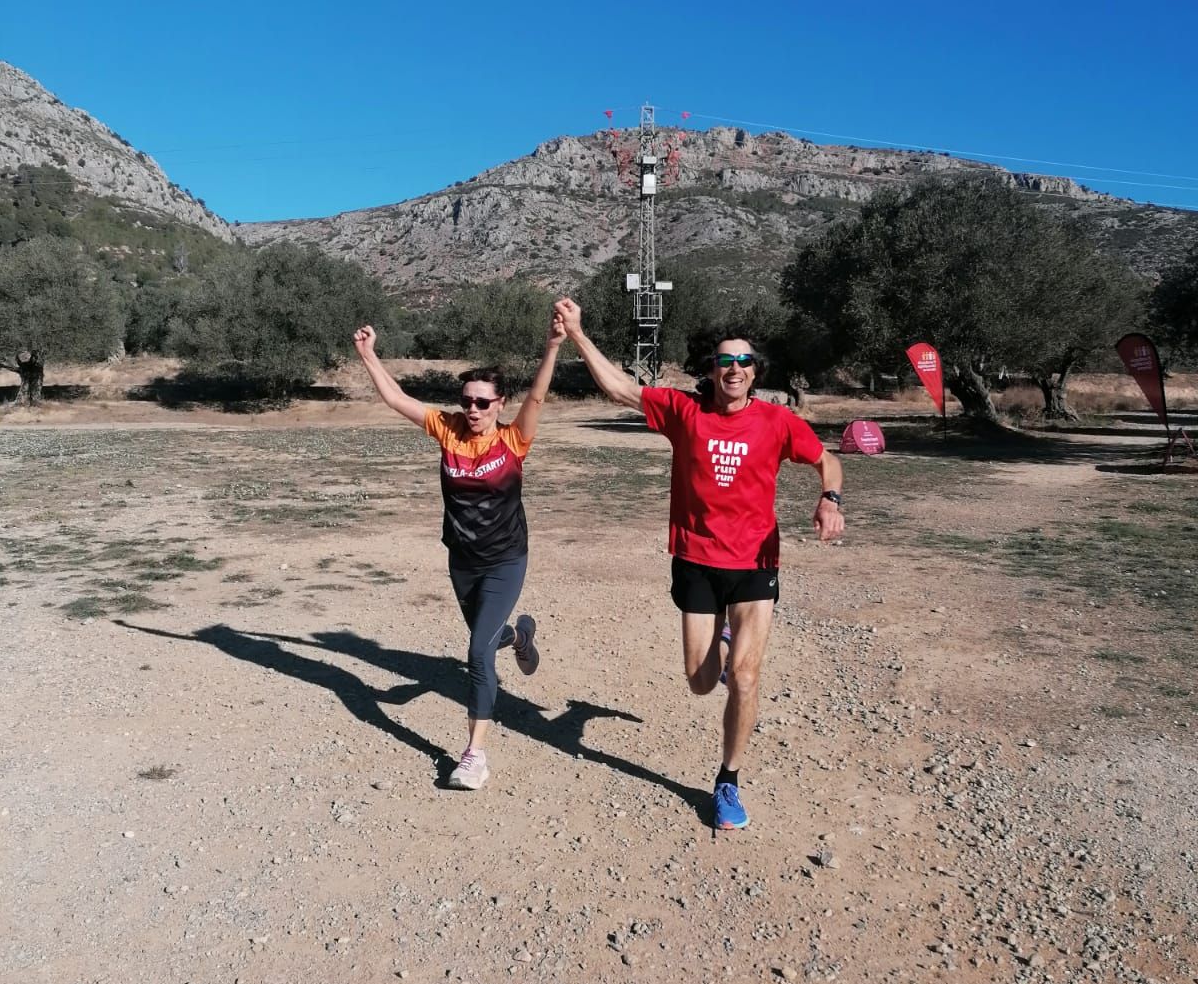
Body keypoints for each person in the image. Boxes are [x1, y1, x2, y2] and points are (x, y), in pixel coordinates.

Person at [553, 298, 845, 831]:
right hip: (695, 559)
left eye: (745, 362)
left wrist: (830, 499)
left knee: (746, 677)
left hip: (756, 561)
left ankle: (728, 779)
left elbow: (827, 458)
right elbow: (620, 387)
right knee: (700, 681)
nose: (734, 369)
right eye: (724, 361)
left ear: (756, 372)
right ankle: (724, 651)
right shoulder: (684, 412)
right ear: (710, 371)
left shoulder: (778, 421)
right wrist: (577, 334)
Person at [352, 314, 565, 790]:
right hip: (462, 561)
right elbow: (396, 398)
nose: (473, 409)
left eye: (483, 402)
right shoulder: (446, 430)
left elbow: (537, 396)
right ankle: (521, 638)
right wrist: (368, 356)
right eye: (466, 401)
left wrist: (552, 345)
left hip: (506, 559)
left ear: (498, 404)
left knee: (475, 651)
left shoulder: (513, 438)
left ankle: (475, 755)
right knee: (488, 642)